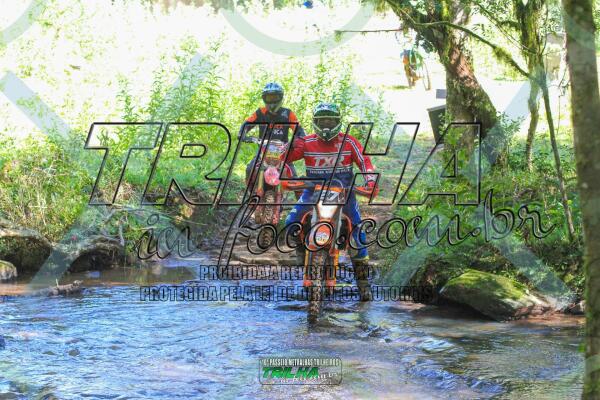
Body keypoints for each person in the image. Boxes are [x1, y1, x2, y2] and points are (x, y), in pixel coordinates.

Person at [283, 102, 377, 298]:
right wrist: (289, 148)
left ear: (337, 122)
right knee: (291, 222)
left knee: (357, 234)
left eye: (330, 121)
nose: (326, 124)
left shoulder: (348, 142)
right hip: (312, 191)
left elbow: (365, 161)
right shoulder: (306, 142)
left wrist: (370, 179)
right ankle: (301, 249)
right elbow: (285, 158)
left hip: (344, 192)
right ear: (315, 122)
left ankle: (363, 284)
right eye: (322, 121)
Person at [239, 82, 305, 187]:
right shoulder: (260, 112)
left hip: (283, 151)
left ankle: (299, 196)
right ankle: (250, 191)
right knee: (250, 169)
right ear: (264, 98)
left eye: (275, 97)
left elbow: (299, 129)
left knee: (293, 178)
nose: (272, 101)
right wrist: (242, 134)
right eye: (269, 98)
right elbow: (247, 124)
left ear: (280, 97)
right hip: (263, 151)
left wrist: (298, 140)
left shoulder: (288, 113)